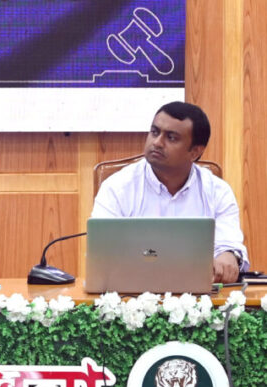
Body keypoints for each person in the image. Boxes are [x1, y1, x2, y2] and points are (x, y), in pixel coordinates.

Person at [92, 101, 248, 283]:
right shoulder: (117, 187)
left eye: (171, 138)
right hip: (131, 292)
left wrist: (228, 256)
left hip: (200, 294)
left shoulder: (218, 191)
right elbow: (102, 253)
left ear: (195, 152)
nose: (157, 142)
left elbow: (228, 245)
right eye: (154, 132)